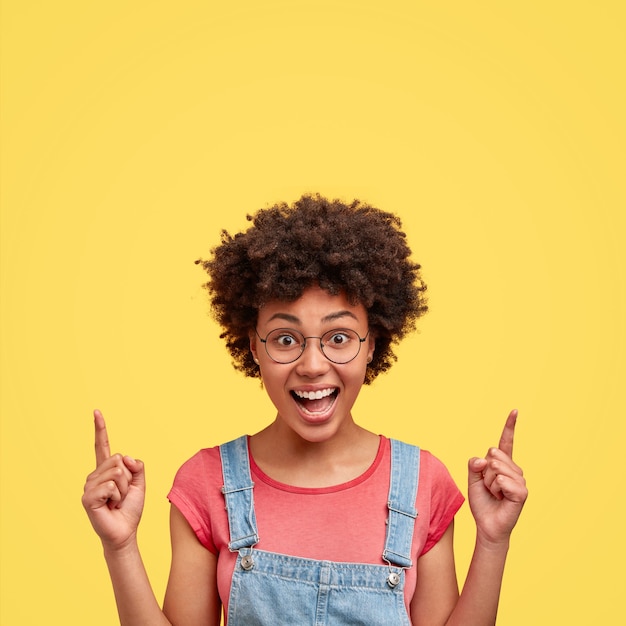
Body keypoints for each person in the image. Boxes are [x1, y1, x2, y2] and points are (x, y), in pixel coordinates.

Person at [82, 193, 527, 625]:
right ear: (254, 347)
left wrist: (492, 540)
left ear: (371, 344)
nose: (313, 366)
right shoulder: (206, 483)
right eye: (285, 339)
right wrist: (120, 548)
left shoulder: (423, 484)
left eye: (338, 338)